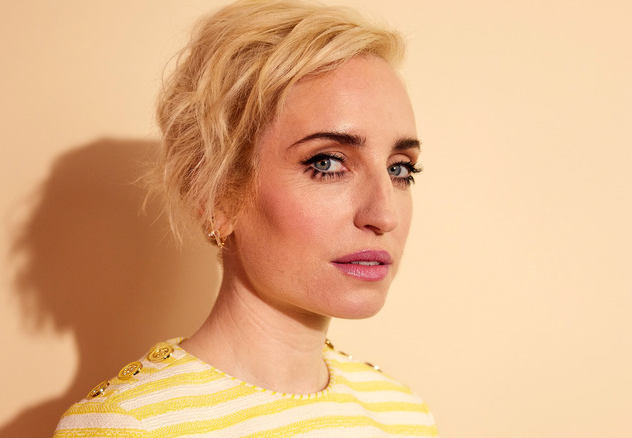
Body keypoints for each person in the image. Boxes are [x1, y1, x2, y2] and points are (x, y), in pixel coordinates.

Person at [54, 0, 437, 436]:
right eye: (327, 163)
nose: (384, 214)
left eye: (399, 169)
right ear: (216, 193)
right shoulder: (130, 425)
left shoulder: (403, 414)